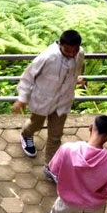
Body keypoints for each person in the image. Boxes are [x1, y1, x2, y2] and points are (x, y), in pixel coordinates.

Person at [11, 30, 86, 163]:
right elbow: (28, 77)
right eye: (67, 50)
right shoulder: (48, 56)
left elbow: (76, 70)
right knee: (36, 124)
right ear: (60, 45)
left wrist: (76, 80)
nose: (71, 54)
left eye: (74, 51)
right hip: (43, 99)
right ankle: (26, 134)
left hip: (63, 101)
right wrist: (22, 99)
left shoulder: (80, 54)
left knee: (55, 136)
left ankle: (51, 166)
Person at [44, 115, 107, 213]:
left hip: (67, 204)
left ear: (90, 128)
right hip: (94, 208)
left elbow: (53, 170)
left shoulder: (67, 149)